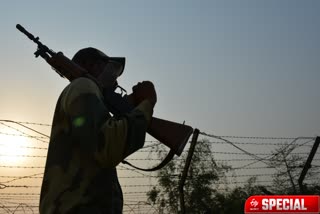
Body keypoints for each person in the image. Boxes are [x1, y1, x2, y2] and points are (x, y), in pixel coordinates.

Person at [39, 47, 157, 214]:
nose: (116, 80)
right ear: (92, 65)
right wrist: (147, 104)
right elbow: (106, 146)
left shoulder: (86, 91)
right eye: (112, 70)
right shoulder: (83, 85)